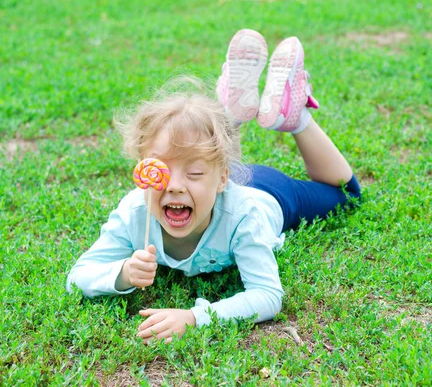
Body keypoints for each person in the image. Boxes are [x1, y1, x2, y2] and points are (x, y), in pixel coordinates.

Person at [67, 29, 361, 343]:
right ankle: (230, 113)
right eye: (162, 170)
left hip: (269, 193)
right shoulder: (135, 211)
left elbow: (267, 295)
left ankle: (295, 118)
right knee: (202, 154)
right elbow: (78, 277)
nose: (175, 187)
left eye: (192, 173)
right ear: (143, 169)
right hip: (216, 179)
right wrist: (123, 273)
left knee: (347, 194)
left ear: (224, 177)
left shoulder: (243, 216)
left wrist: (195, 317)